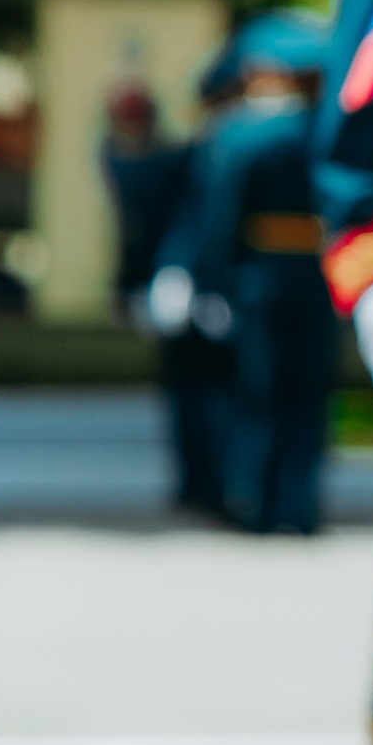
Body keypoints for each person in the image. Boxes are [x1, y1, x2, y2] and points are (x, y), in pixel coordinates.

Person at [154, 11, 336, 533]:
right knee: (308, 397)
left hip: (258, 279)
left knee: (259, 392)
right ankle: (297, 505)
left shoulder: (243, 134)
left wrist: (210, 282)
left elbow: (219, 219)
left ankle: (255, 498)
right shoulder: (330, 132)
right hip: (317, 279)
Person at [102, 75, 227, 516]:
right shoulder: (127, 160)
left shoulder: (177, 161)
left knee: (205, 390)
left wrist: (173, 274)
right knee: (188, 391)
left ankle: (209, 483)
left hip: (194, 282)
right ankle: (197, 482)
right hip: (170, 283)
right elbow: (131, 234)